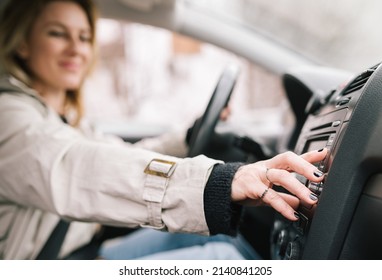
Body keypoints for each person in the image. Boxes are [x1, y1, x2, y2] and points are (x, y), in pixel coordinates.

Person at [0, 0, 326, 260]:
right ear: (22, 44)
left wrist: (187, 137)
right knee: (222, 258)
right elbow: (80, 167)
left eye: (84, 37)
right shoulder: (9, 115)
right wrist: (219, 182)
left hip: (85, 249)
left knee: (221, 239)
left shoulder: (63, 118)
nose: (76, 48)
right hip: (57, 262)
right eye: (57, 33)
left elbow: (122, 157)